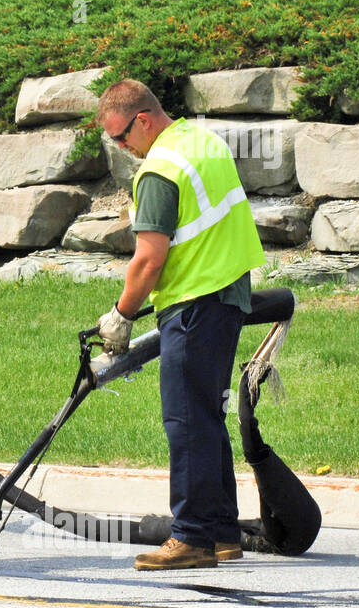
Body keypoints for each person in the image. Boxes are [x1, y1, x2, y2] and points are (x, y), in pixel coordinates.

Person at [94, 79, 265, 571]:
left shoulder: (159, 170)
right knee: (207, 418)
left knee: (186, 423)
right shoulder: (203, 142)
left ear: (142, 120)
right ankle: (222, 532)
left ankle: (190, 537)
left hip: (193, 301)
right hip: (228, 294)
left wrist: (121, 316)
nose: (122, 148)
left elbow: (148, 260)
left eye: (122, 137)